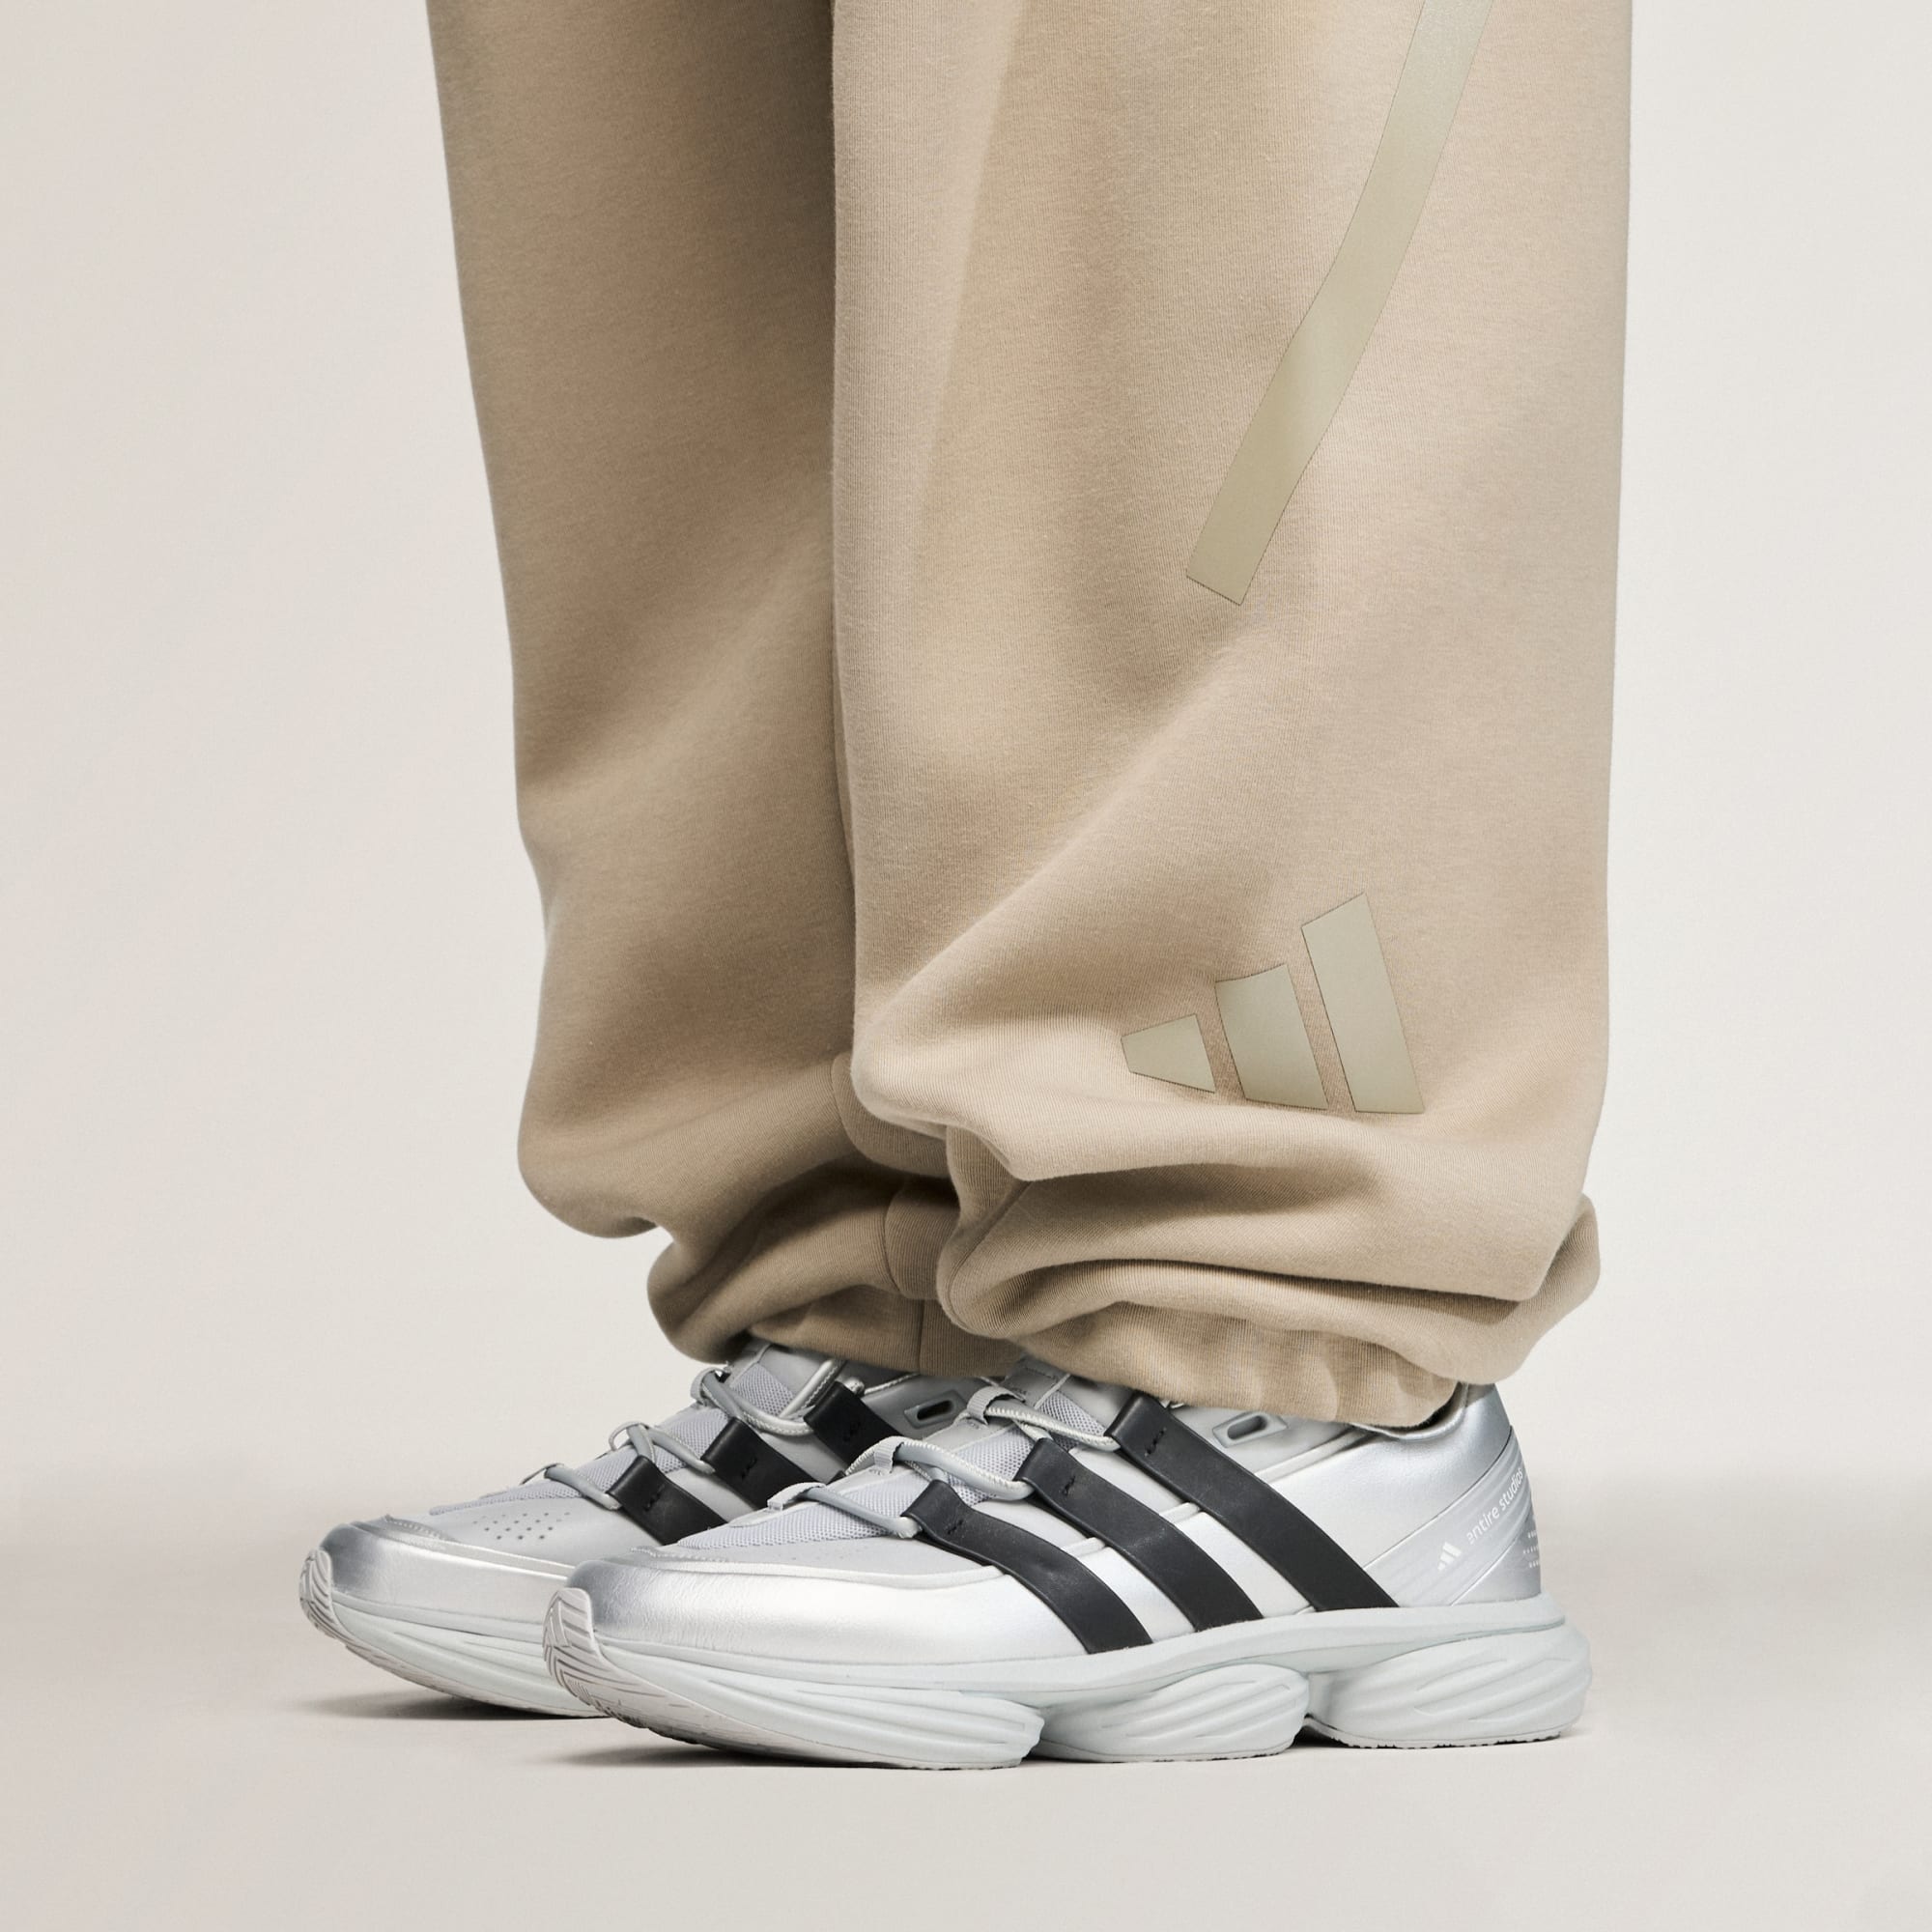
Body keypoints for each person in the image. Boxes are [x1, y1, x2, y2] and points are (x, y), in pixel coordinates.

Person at [303, 0, 1629, 1766]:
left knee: (1185, 72)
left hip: (1291, 1313)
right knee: (662, 99)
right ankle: (897, 1292)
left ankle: (1279, 1350)